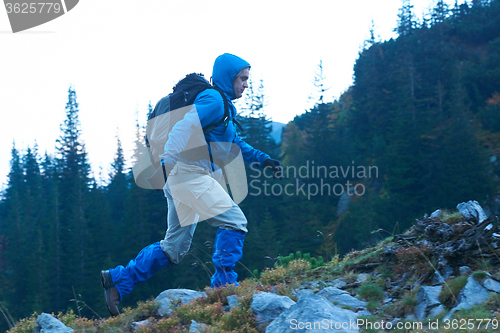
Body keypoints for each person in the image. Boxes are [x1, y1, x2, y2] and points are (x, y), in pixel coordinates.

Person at [101, 53, 283, 316]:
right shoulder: (213, 100)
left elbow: (235, 145)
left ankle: (119, 280)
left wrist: (263, 160)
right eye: (242, 79)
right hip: (188, 174)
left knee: (173, 247)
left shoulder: (224, 108)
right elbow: (184, 127)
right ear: (228, 77)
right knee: (235, 221)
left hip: (183, 176)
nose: (246, 84)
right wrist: (169, 160)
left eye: (247, 79)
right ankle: (224, 290)